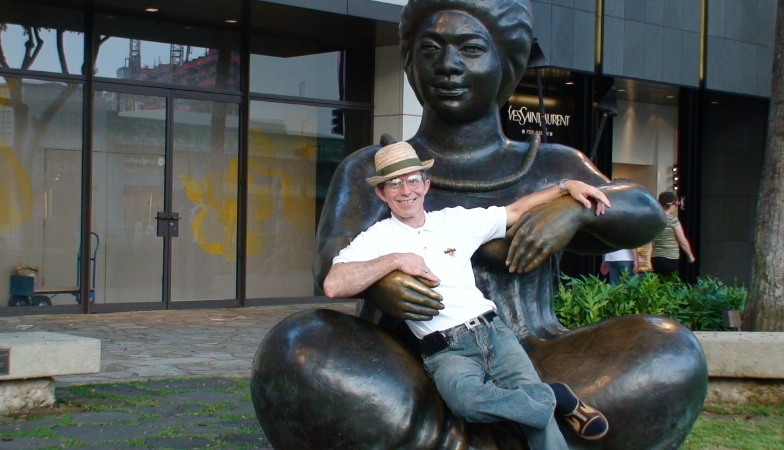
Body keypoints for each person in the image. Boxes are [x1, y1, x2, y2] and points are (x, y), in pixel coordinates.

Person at [251, 1, 708, 448]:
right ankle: (527, 421)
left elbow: (644, 211)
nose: (448, 65)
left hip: (530, 351)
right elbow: (331, 264)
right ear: (409, 63)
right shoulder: (367, 168)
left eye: (470, 49)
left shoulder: (550, 164)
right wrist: (381, 280)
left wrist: (574, 208)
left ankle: (465, 432)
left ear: (508, 62)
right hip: (406, 366)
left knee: (670, 351)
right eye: (430, 50)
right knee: (297, 347)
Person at [323, 141, 611, 448]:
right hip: (446, 350)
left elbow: (515, 210)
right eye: (394, 183)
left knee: (538, 424)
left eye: (412, 180)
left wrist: (566, 186)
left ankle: (546, 401)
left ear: (426, 185)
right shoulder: (376, 238)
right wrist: (394, 260)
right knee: (467, 403)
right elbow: (333, 285)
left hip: (493, 332)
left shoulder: (455, 220)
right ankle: (554, 397)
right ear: (381, 193)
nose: (405, 190)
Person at [650, 191, 695, 277]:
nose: (676, 208)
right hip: (670, 258)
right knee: (669, 282)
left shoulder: (654, 219)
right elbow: (683, 241)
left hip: (655, 257)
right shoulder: (672, 220)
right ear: (671, 204)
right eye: (676, 205)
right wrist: (690, 256)